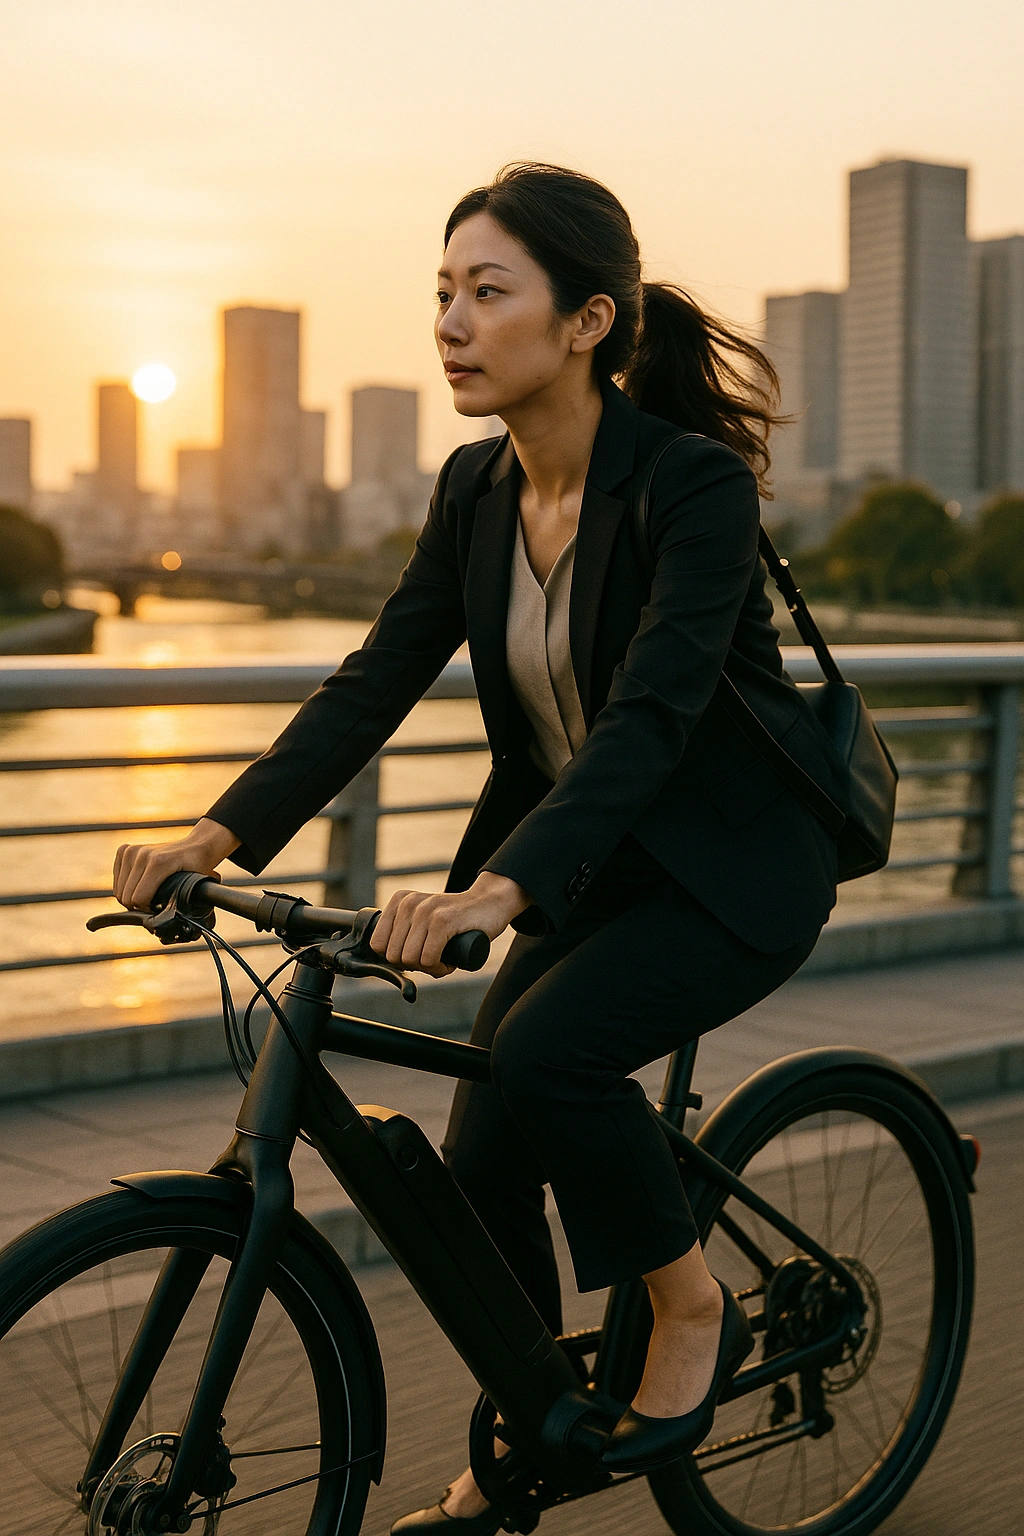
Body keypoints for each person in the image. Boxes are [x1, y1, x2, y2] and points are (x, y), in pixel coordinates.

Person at [113, 163, 845, 1534]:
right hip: (594, 869)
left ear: (586, 322)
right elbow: (371, 683)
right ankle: (533, 1429)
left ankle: (694, 1307)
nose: (451, 320)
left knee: (551, 1052)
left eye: (488, 291)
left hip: (739, 869)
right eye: (442, 292)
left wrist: (499, 886)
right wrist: (211, 830)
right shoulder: (474, 492)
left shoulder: (689, 491)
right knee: (485, 1151)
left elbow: (649, 721)